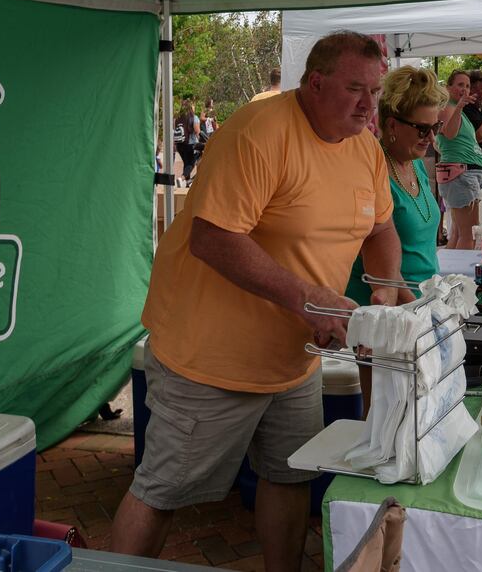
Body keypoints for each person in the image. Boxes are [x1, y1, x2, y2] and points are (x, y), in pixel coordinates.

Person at [114, 32, 404, 570]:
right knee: (161, 491)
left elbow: (381, 227)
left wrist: (384, 288)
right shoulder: (259, 133)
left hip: (293, 358)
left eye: (376, 91)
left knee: (290, 475)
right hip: (211, 356)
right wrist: (309, 300)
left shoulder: (363, 144)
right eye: (354, 89)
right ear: (314, 84)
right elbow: (213, 238)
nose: (369, 105)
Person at [346, 67, 447, 399]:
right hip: (387, 312)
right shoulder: (372, 170)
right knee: (384, 414)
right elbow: (374, 259)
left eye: (435, 128)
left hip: (417, 306)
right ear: (391, 125)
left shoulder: (414, 162)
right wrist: (420, 311)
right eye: (421, 128)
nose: (430, 138)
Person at [435, 70, 482, 249]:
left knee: (457, 233)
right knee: (468, 233)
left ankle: (450, 275)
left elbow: (439, 142)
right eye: (460, 85)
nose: (465, 89)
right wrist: (459, 107)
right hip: (462, 174)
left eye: (467, 86)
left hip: (462, 173)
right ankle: (462, 276)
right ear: (448, 88)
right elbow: (449, 133)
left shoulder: (457, 109)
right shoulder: (448, 107)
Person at [173, 97, 202, 183]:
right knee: (191, 163)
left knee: (186, 162)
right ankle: (182, 178)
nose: (194, 107)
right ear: (190, 107)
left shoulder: (177, 118)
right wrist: (201, 141)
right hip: (190, 144)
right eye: (193, 105)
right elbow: (197, 131)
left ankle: (187, 181)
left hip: (180, 144)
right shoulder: (194, 117)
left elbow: (175, 130)